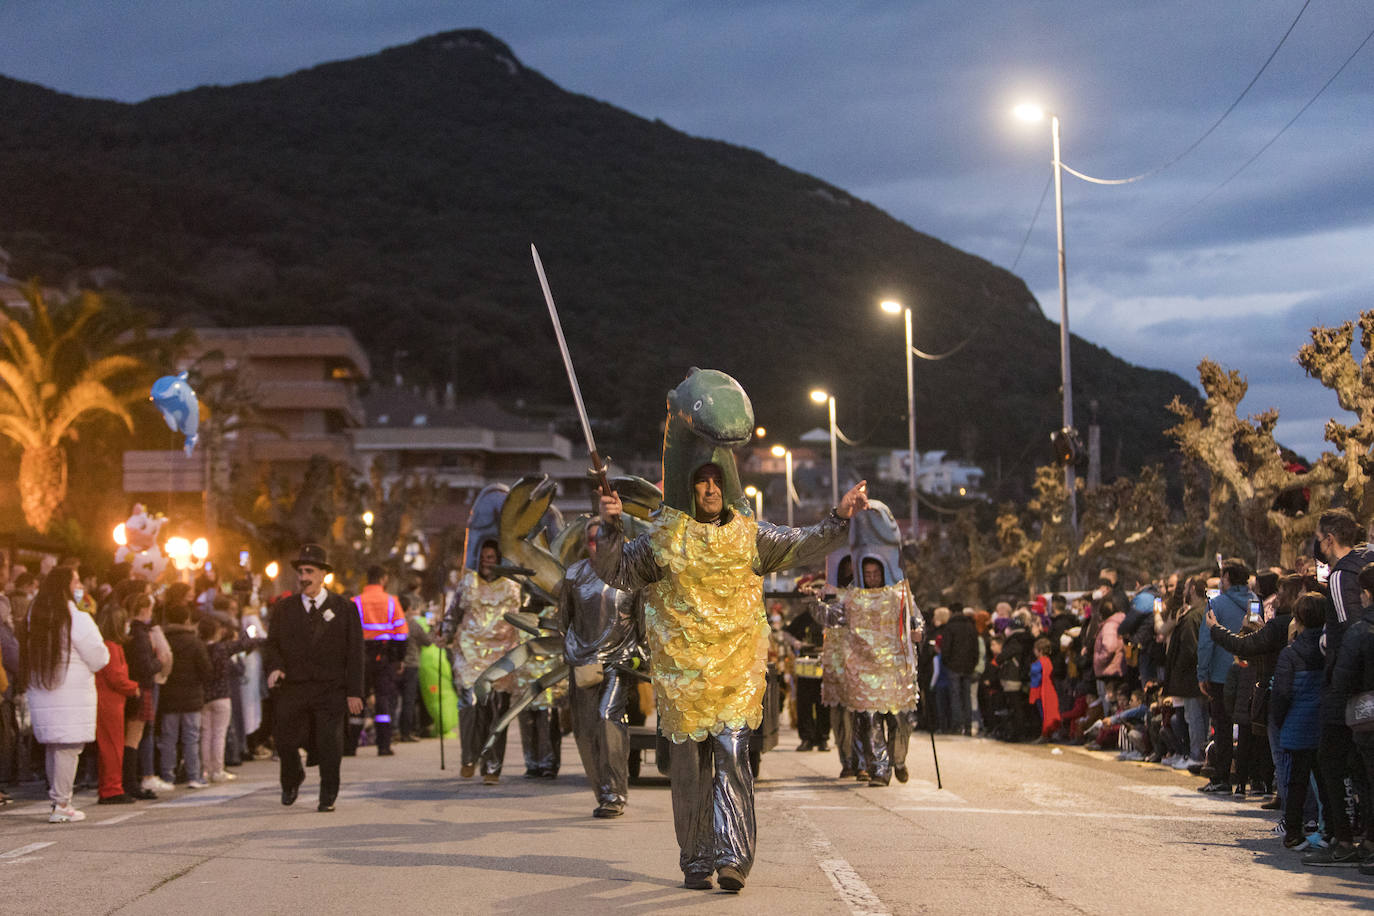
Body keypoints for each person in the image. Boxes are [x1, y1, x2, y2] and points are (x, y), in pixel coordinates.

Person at [596, 452, 867, 892]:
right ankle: (697, 858)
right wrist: (609, 527)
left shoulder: (751, 536)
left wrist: (839, 515)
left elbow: (803, 542)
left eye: (716, 481)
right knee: (688, 771)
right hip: (683, 679)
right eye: (701, 481)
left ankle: (733, 858)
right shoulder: (664, 538)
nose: (710, 489)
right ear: (688, 490)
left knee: (733, 758)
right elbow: (619, 572)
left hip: (737, 675)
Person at [263, 544, 364, 812]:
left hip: (330, 688)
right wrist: (275, 667)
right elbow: (272, 645)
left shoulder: (344, 608)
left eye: (309, 571)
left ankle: (328, 793)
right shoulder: (285, 608)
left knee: (330, 744)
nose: (303, 576)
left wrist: (355, 691)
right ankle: (292, 777)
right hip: (294, 686)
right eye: (300, 571)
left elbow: (355, 652)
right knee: (284, 740)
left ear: (323, 575)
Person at [560, 517, 644, 818]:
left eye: (603, 538)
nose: (597, 545)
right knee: (584, 731)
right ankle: (601, 790)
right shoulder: (574, 574)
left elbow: (642, 620)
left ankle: (614, 794)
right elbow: (563, 620)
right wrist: (570, 652)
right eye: (592, 539)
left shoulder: (631, 575)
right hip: (583, 662)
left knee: (608, 718)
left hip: (617, 662)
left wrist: (642, 655)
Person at [1305, 508, 1373, 866]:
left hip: (1347, 683)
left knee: (1331, 759)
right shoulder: (1366, 563)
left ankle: (1343, 838)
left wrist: (1342, 677)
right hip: (1364, 680)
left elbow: (1348, 630)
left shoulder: (1338, 576)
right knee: (1362, 764)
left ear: (1329, 539)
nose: (1318, 544)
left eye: (1319, 538)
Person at [23, 567, 110, 822]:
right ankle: (62, 803)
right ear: (66, 585)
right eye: (76, 581)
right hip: (71, 693)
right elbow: (98, 654)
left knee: (55, 746)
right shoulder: (75, 616)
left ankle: (57, 799)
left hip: (43, 688)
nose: (80, 585)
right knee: (68, 747)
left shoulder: (34, 614)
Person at [444, 541, 521, 784]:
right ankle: (469, 758)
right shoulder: (467, 583)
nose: (487, 560)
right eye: (483, 556)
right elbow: (453, 613)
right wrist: (444, 632)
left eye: (491, 556)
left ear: (499, 559)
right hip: (469, 656)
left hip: (501, 657)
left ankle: (492, 767)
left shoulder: (512, 587)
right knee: (469, 706)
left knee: (496, 711)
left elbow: (521, 621)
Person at [840, 549, 918, 786]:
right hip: (867, 670)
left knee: (900, 721)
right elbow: (838, 618)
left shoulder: (898, 595)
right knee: (871, 722)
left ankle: (898, 761)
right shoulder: (854, 598)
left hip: (896, 670)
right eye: (868, 574)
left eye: (876, 573)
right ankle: (880, 770)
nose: (872, 578)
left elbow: (915, 616)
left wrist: (918, 630)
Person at [1273, 593, 1330, 850]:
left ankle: (1293, 832)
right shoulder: (1330, 647)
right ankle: (1331, 830)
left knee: (1297, 781)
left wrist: (1280, 719)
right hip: (1326, 723)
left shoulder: (1291, 654)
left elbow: (1282, 693)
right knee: (1328, 780)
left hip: (1297, 724)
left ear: (1298, 619)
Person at [1197, 558, 1253, 793]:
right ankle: (1246, 779)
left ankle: (1221, 777)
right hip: (1250, 672)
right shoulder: (1255, 601)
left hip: (1221, 675)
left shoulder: (1216, 605)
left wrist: (1202, 673)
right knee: (1248, 726)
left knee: (1222, 727)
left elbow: (1206, 644)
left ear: (1227, 578)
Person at [351, 566, 409, 757]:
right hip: (384, 656)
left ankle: (350, 745)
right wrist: (399, 659)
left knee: (357, 697)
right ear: (383, 579)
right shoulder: (392, 602)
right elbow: (401, 634)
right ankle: (383, 746)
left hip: (360, 657)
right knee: (383, 699)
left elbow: (349, 635)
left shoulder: (356, 602)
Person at [159, 601, 212, 789]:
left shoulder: (163, 639)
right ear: (187, 619)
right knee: (191, 737)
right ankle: (193, 776)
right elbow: (206, 669)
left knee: (168, 738)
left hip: (168, 695)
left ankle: (167, 776)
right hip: (192, 696)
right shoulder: (195, 642)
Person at [94, 600, 141, 804]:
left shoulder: (108, 646)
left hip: (110, 700)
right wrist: (133, 687)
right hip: (110, 702)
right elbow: (115, 677)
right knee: (112, 746)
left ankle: (110, 786)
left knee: (110, 745)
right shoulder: (111, 647)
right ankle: (112, 788)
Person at [121, 593, 161, 799]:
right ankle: (130, 782)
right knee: (133, 737)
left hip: (131, 686)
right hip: (141, 686)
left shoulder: (129, 631)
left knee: (132, 736)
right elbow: (145, 665)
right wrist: (159, 662)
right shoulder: (141, 635)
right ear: (144, 609)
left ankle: (129, 781)